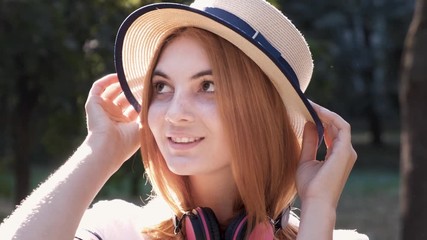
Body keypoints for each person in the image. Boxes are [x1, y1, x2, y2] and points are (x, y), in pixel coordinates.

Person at [0, 0, 368, 239]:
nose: (174, 113)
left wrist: (319, 208)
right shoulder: (116, 230)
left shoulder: (330, 235)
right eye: (161, 87)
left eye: (207, 85)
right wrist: (100, 152)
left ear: (264, 111)